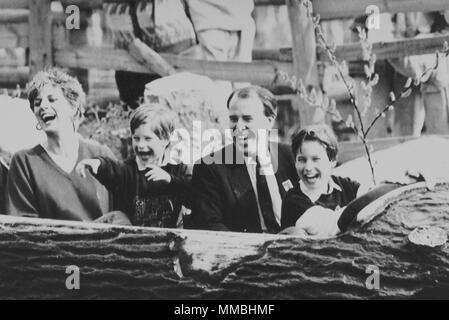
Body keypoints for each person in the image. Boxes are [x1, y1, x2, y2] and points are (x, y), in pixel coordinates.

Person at [7, 69, 115, 221]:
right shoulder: (24, 162)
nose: (43, 106)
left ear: (73, 108)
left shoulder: (101, 154)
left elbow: (124, 211)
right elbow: (22, 225)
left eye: (51, 100)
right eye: (37, 103)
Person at [191, 86, 298, 233]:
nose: (239, 127)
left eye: (248, 119)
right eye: (233, 119)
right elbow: (210, 227)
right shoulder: (210, 167)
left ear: (269, 120)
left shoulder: (290, 156)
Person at [76, 104, 193, 228]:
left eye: (147, 139)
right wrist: (98, 163)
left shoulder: (177, 169)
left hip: (168, 239)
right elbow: (113, 169)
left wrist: (170, 180)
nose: (141, 145)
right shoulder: (128, 170)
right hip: (131, 238)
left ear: (165, 140)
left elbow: (192, 191)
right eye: (136, 138)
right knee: (117, 217)